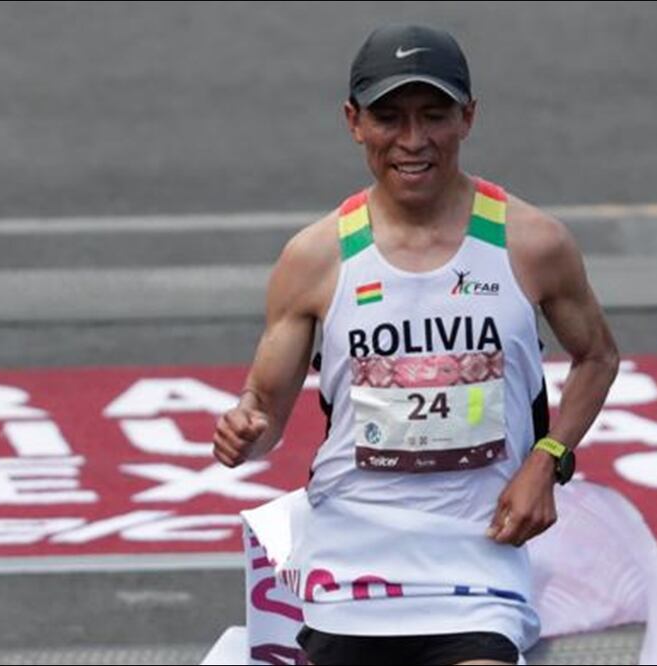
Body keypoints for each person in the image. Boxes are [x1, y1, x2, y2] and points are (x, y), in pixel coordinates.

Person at [213, 24, 619, 666]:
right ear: (354, 122)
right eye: (389, 118)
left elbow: (598, 356)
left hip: (481, 559)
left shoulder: (531, 243)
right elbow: (265, 415)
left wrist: (548, 459)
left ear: (468, 117)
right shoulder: (316, 257)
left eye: (433, 116)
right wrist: (244, 431)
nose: (412, 140)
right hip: (352, 563)